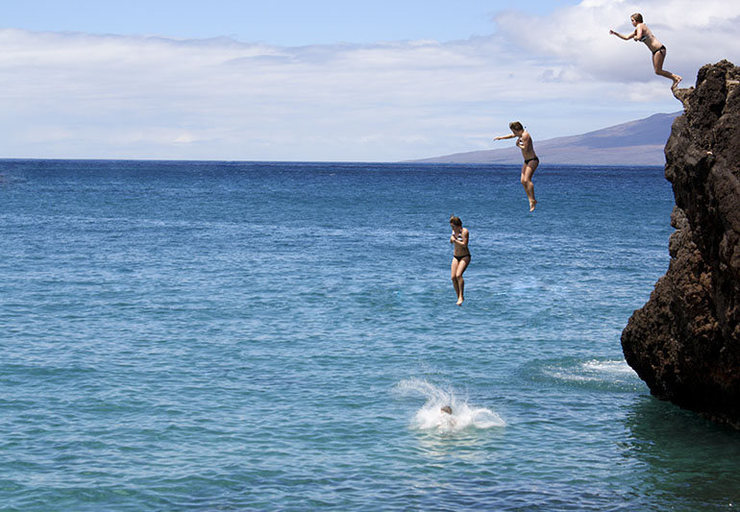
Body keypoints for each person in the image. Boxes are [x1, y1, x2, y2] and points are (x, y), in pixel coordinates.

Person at [609, 13, 682, 89]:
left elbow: (639, 36)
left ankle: (676, 78)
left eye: (632, 20)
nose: (632, 22)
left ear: (637, 20)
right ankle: (675, 78)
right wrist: (615, 33)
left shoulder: (640, 26)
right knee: (657, 71)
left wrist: (636, 38)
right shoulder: (637, 29)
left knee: (658, 71)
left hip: (659, 49)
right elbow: (626, 37)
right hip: (655, 51)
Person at [493, 122, 539, 211]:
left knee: (527, 180)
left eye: (513, 131)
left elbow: (526, 148)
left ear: (517, 129)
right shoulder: (520, 134)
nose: (513, 133)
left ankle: (533, 199)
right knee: (522, 181)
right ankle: (530, 200)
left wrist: (518, 145)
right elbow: (511, 136)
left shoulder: (525, 136)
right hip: (526, 161)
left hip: (533, 160)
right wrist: (500, 138)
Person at [449, 215, 470, 306]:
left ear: (458, 225)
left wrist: (455, 240)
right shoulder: (454, 231)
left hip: (465, 256)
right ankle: (458, 297)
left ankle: (461, 296)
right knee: (453, 277)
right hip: (455, 256)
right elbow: (452, 240)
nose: (452, 228)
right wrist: (451, 239)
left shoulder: (464, 231)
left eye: (453, 226)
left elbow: (464, 244)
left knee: (458, 275)